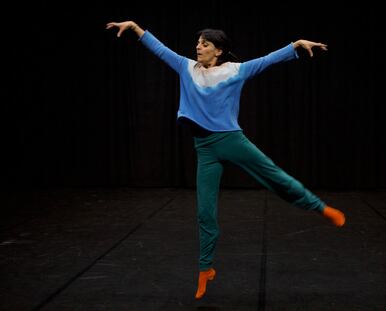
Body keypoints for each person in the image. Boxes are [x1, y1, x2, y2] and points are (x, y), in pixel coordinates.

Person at [106, 20, 346, 299]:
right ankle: (205, 269)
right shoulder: (187, 68)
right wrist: (135, 28)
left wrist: (295, 45)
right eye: (198, 43)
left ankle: (319, 208)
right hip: (204, 148)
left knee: (274, 177)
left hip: (230, 140)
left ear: (218, 51)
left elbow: (267, 60)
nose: (198, 47)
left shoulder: (236, 70)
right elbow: (160, 50)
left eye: (205, 44)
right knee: (204, 211)